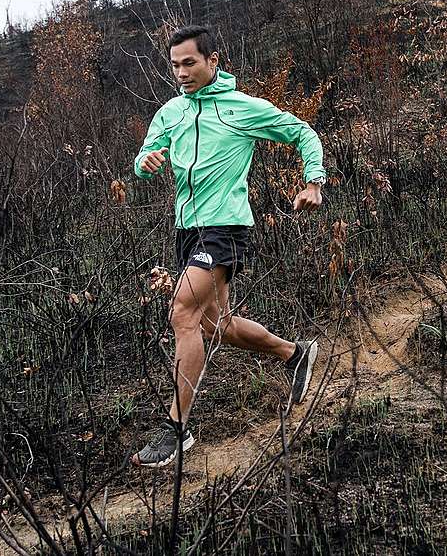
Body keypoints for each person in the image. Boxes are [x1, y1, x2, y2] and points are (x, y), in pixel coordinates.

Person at [130, 24, 325, 468]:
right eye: (175, 64)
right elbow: (143, 159)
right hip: (187, 231)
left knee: (182, 312)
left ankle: (177, 428)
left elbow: (303, 133)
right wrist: (147, 162)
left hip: (225, 227)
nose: (181, 72)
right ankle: (294, 354)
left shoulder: (242, 108)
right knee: (218, 326)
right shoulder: (171, 113)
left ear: (213, 61)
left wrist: (313, 181)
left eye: (190, 62)